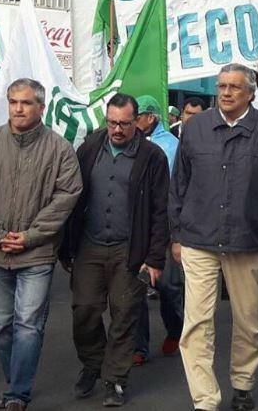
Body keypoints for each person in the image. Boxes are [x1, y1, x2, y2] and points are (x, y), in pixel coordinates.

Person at [170, 63, 258, 411]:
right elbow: (179, 185)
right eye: (221, 86)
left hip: (247, 239)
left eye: (234, 87)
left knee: (249, 320)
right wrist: (176, 234)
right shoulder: (196, 128)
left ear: (250, 92)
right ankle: (205, 399)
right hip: (197, 238)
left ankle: (242, 382)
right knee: (197, 323)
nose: (225, 92)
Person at [0, 78, 82, 411]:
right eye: (13, 102)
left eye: (26, 103)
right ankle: (14, 379)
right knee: (2, 325)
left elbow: (66, 196)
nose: (18, 108)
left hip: (37, 254)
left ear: (41, 107)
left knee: (28, 324)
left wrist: (30, 236)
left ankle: (18, 392)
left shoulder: (60, 149)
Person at [62, 93, 169, 407]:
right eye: (112, 123)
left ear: (136, 121)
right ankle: (93, 363)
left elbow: (161, 210)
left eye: (124, 123)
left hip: (129, 250)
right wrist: (66, 247)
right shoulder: (90, 148)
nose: (118, 130)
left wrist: (154, 258)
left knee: (124, 315)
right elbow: (72, 196)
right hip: (89, 246)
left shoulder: (152, 157)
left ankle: (114, 379)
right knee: (84, 310)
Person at [132, 95, 183, 367]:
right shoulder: (129, 144)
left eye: (136, 116)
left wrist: (175, 234)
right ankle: (139, 346)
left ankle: (177, 329)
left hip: (164, 227)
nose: (131, 122)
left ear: (150, 118)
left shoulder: (171, 147)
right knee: (135, 288)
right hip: (134, 229)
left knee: (168, 286)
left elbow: (176, 191)